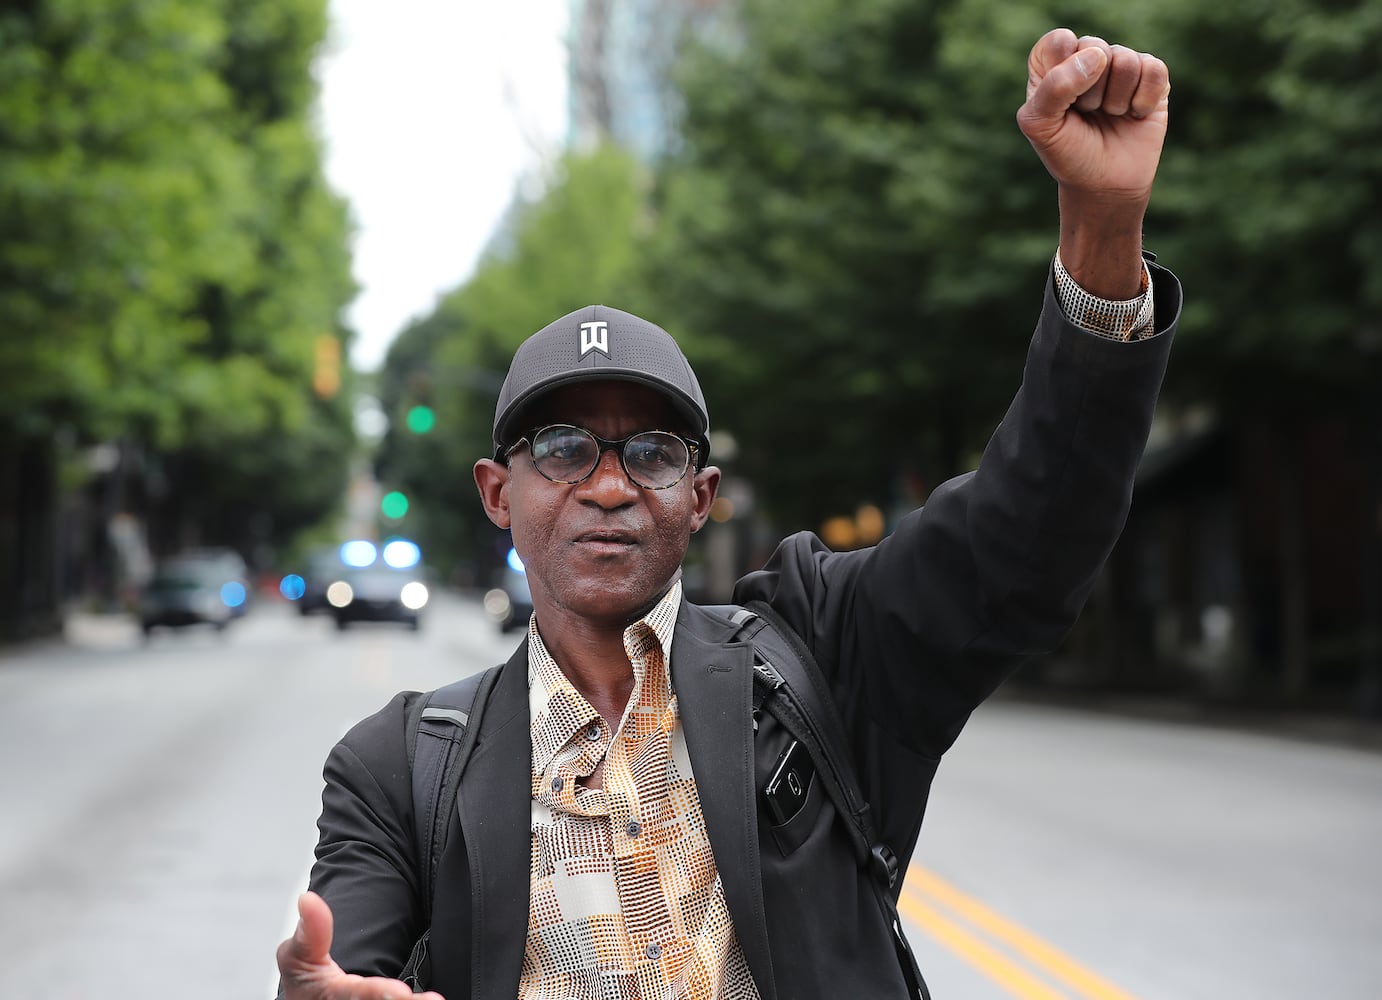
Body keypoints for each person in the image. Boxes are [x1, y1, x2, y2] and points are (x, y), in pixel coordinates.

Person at [277, 27, 1178, 1000]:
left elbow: (1027, 530)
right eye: (563, 449)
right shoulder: (398, 766)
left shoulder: (821, 658)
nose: (610, 485)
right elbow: (340, 971)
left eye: (652, 452)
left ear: (699, 498)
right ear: (499, 492)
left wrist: (1099, 226)